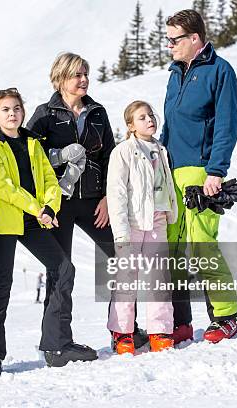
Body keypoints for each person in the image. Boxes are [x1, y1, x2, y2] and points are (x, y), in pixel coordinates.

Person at [27, 52, 148, 349]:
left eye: (85, 74)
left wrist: (108, 197)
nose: (83, 80)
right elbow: (29, 155)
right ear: (60, 79)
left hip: (95, 201)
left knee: (124, 259)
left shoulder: (97, 111)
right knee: (61, 269)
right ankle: (57, 343)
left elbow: (110, 156)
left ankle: (124, 329)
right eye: (76, 75)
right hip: (59, 203)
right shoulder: (45, 114)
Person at [0, 88, 97, 374]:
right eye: (5, 109)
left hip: (34, 220)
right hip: (5, 222)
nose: (12, 114)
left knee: (64, 268)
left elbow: (48, 178)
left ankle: (56, 345)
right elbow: (2, 187)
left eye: (16, 108)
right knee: (2, 284)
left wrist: (50, 207)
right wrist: (37, 208)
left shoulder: (32, 141)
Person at [160, 9, 237, 344]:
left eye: (174, 40)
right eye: (167, 40)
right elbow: (168, 125)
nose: (169, 46)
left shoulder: (219, 71)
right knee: (173, 249)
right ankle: (181, 321)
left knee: (202, 244)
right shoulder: (175, 73)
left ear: (195, 38)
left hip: (200, 172)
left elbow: (226, 124)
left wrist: (215, 171)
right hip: (170, 171)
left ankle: (225, 317)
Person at [106, 101, 179, 354]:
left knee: (159, 277)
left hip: (157, 219)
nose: (149, 120)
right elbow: (116, 193)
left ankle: (159, 330)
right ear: (130, 125)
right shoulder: (123, 151)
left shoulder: (161, 150)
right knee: (127, 277)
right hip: (133, 222)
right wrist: (121, 233)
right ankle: (122, 332)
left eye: (151, 116)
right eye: (141, 117)